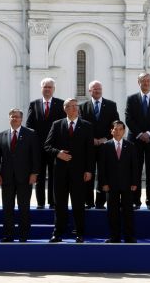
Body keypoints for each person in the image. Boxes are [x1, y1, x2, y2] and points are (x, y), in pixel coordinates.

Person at [45, 98, 95, 243]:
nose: (74, 108)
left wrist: (89, 170)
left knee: (78, 203)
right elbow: (47, 146)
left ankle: (80, 233)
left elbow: (90, 151)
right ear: (65, 108)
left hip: (79, 172)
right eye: (70, 106)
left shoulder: (86, 126)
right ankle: (57, 233)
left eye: (75, 106)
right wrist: (58, 153)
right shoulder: (57, 124)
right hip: (60, 172)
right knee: (60, 204)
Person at [0, 108, 40, 242]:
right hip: (7, 177)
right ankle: (8, 234)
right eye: (12, 117)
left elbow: (35, 155)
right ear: (9, 118)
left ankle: (23, 235)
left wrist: (34, 173)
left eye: (17, 117)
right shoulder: (1, 135)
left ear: (21, 119)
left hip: (25, 177)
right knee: (7, 207)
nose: (14, 119)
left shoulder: (30, 134)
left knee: (23, 207)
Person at [125, 72, 150, 210]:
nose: (146, 83)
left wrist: (148, 133)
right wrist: (140, 134)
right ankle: (135, 200)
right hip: (135, 141)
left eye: (148, 80)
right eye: (143, 80)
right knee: (134, 172)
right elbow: (128, 118)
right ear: (139, 82)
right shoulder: (131, 99)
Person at [79, 80, 119, 209]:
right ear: (89, 91)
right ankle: (88, 201)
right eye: (94, 89)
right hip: (88, 146)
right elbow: (80, 126)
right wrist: (91, 139)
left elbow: (115, 125)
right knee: (88, 173)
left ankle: (100, 202)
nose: (97, 91)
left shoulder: (111, 105)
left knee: (103, 174)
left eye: (99, 89)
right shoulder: (83, 106)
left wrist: (106, 138)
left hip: (105, 146)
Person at [26, 77, 65, 209]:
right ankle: (40, 202)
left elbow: (63, 125)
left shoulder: (61, 104)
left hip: (54, 147)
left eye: (50, 87)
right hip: (38, 147)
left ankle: (53, 202)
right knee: (39, 175)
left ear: (54, 89)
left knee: (54, 175)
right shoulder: (34, 104)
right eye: (45, 87)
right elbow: (29, 126)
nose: (47, 89)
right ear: (41, 89)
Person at [99, 120, 138, 243]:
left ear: (124, 131)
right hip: (111, 185)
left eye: (120, 129)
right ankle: (114, 236)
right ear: (111, 131)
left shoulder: (130, 146)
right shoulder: (106, 146)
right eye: (115, 129)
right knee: (112, 212)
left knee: (128, 211)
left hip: (127, 184)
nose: (118, 131)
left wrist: (134, 182)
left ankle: (129, 236)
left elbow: (135, 166)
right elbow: (101, 167)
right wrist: (104, 183)